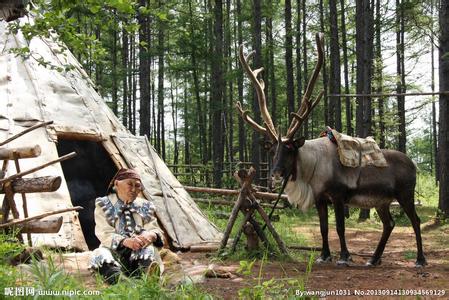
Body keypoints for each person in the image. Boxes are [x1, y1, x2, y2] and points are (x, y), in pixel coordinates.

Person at [89, 168, 164, 284]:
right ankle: (122, 281)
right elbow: (104, 232)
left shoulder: (145, 205)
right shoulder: (103, 204)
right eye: (129, 184)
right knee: (100, 254)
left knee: (148, 250)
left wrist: (150, 235)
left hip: (139, 250)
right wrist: (125, 241)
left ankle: (146, 277)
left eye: (137, 186)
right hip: (114, 250)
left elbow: (153, 228)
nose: (134, 189)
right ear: (116, 184)